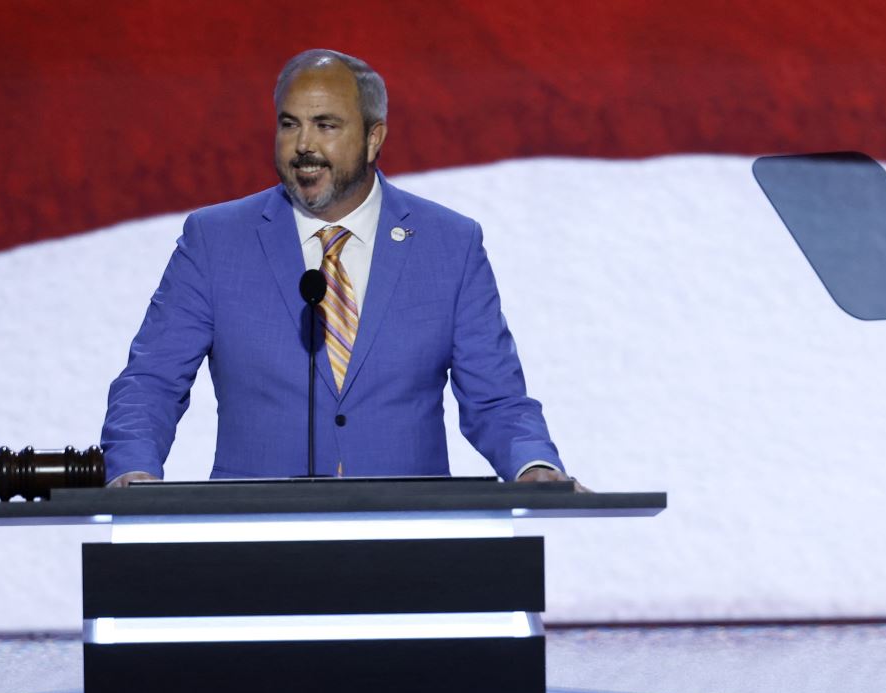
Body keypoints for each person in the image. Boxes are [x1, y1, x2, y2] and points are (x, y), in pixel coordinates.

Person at [102, 49, 577, 487]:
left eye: (326, 125)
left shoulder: (450, 245)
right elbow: (152, 381)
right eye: (290, 125)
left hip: (410, 543)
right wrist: (134, 469)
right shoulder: (215, 241)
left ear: (374, 138)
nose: (303, 145)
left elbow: (496, 399)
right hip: (255, 541)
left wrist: (532, 465)